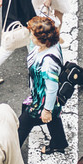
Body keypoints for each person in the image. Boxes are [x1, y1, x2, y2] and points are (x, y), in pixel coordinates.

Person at [17, 16, 67, 153]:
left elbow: (51, 88)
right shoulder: (52, 44)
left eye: (33, 35)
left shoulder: (48, 63)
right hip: (39, 94)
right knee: (53, 119)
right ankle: (59, 142)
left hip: (40, 100)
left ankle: (11, 153)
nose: (31, 36)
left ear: (43, 40)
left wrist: (47, 110)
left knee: (22, 125)